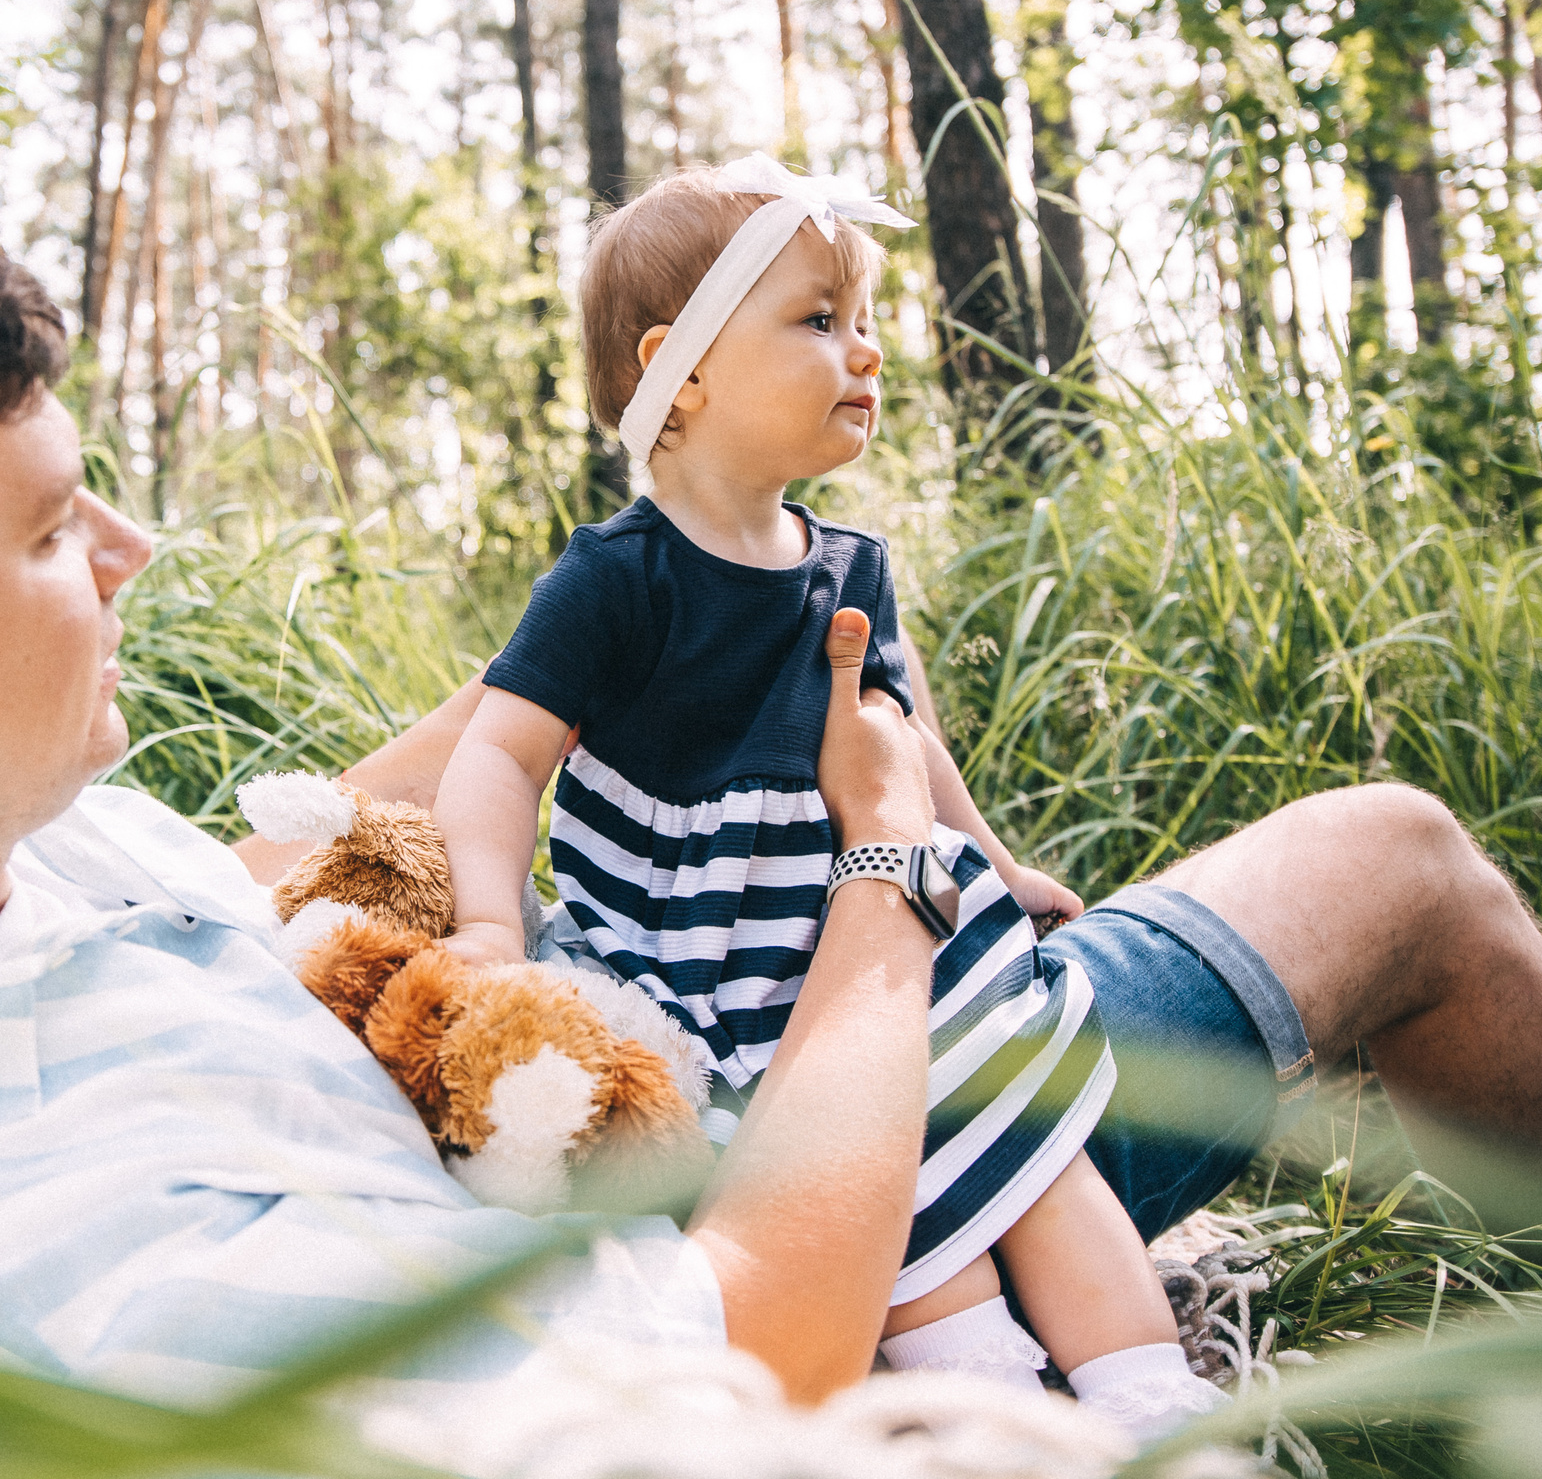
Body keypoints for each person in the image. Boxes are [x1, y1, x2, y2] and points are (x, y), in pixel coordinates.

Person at [0, 183, 1542, 1451]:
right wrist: (870, 863)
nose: (134, 556)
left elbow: (311, 850)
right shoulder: (44, 1292)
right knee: (1396, 855)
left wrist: (642, 606)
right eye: (62, 532)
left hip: (663, 1047)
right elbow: (761, 1340)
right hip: (802, 1154)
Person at [434, 157, 1221, 1436]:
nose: (862, 354)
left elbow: (896, 732)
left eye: (862, 323)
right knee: (886, 1184)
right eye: (816, 321)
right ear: (676, 373)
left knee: (1023, 1137)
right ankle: (990, 1403)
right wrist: (485, 920)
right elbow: (497, 756)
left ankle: (1153, 1400)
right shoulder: (616, 579)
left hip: (876, 921)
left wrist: (989, 858)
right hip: (712, 959)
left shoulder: (850, 562)